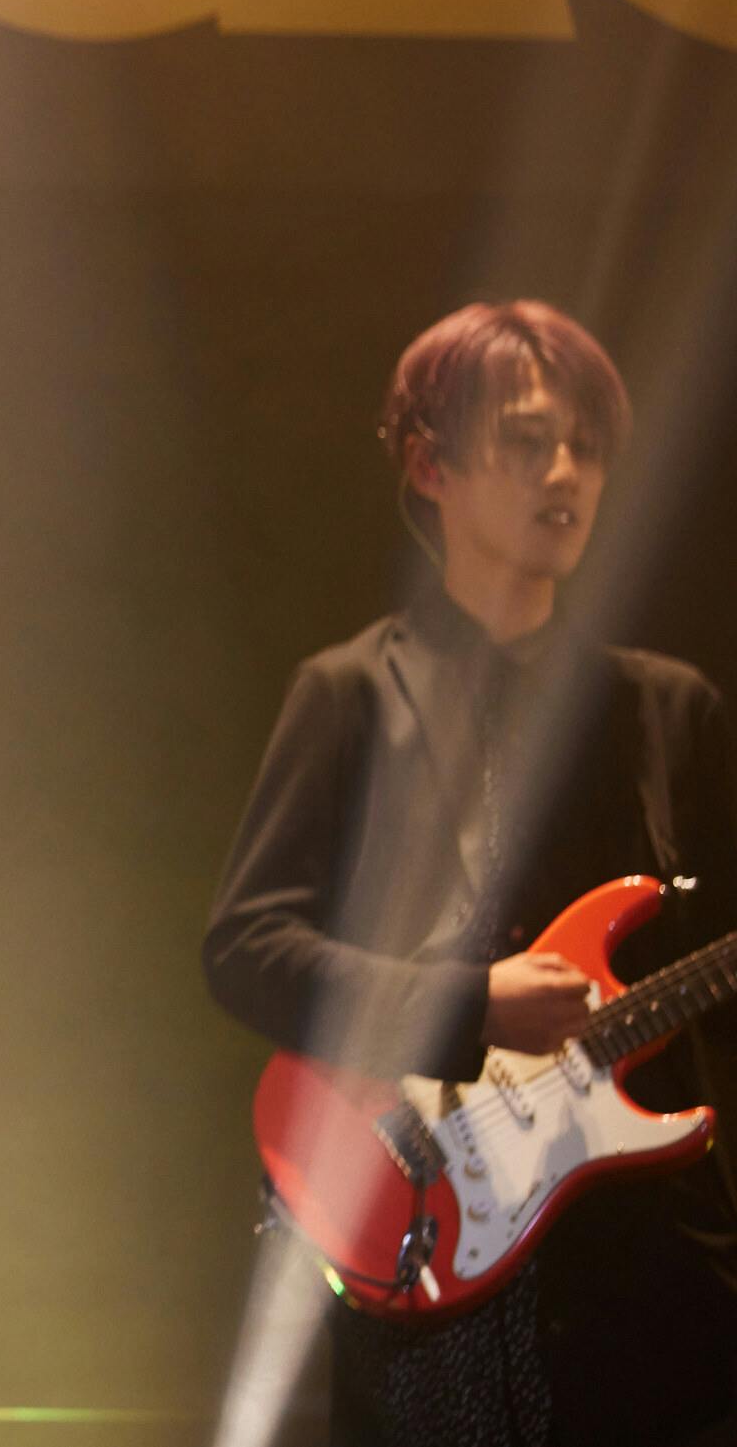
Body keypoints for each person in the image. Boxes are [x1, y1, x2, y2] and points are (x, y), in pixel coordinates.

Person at [203, 301, 737, 1443]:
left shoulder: (667, 710)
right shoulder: (351, 694)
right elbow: (246, 950)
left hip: (648, 1281)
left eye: (587, 446)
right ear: (428, 464)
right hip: (431, 1247)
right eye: (527, 440)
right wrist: (471, 1003)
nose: (567, 471)